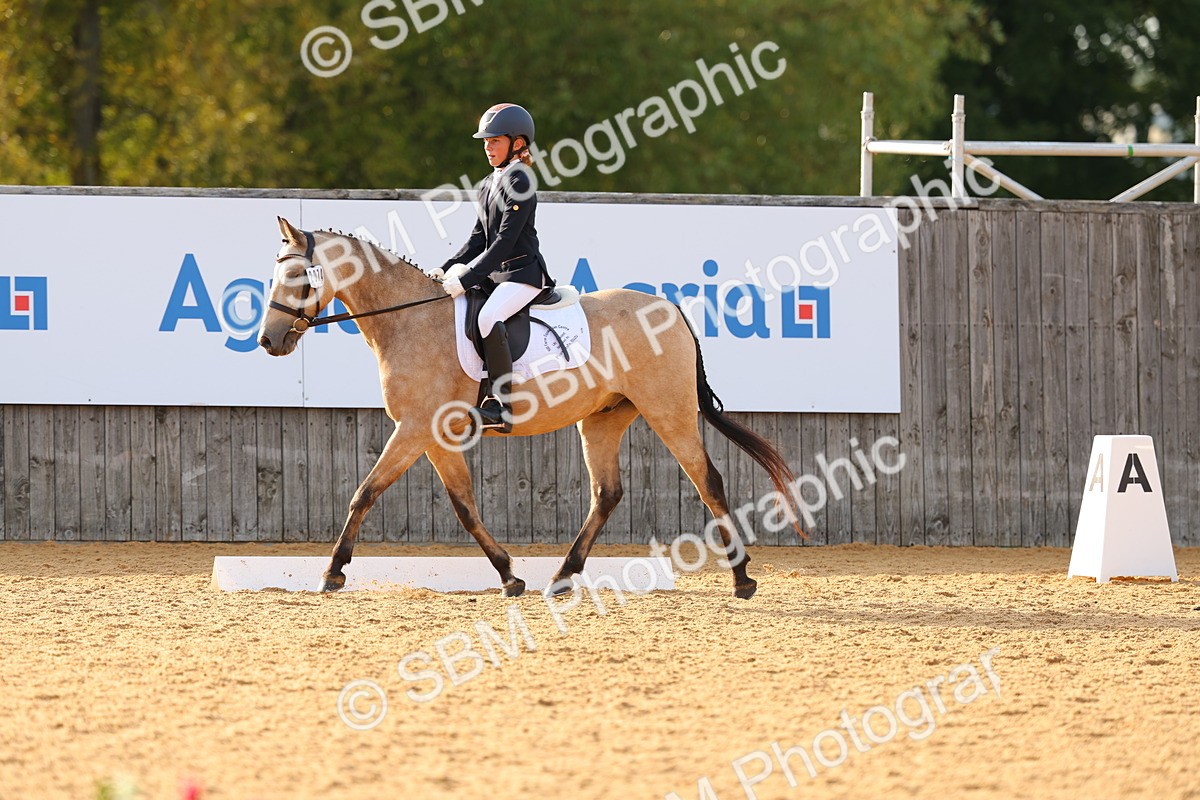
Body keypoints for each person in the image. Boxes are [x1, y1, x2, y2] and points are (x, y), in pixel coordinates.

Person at [439, 103, 554, 433]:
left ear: (518, 143)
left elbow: (504, 242)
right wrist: (446, 268)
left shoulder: (521, 180)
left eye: (495, 142)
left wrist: (469, 277)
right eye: (485, 142)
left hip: (522, 275)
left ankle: (502, 407)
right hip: (496, 275)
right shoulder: (489, 182)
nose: (488, 148)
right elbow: (478, 239)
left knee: (489, 317)